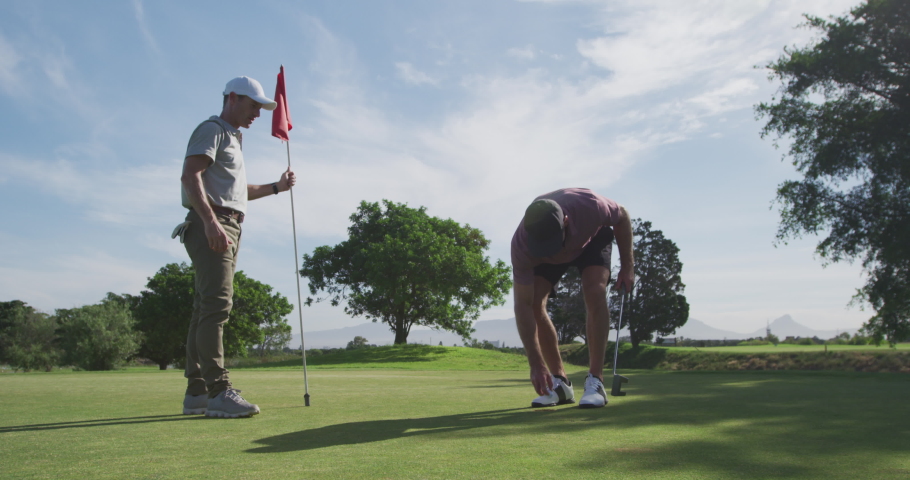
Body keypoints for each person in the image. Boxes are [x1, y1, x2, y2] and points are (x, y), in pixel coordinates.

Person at [176, 76, 296, 418]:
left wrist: (276, 187)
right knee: (216, 307)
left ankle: (197, 392)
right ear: (232, 98)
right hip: (211, 223)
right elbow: (190, 176)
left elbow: (239, 192)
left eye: (261, 107)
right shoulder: (212, 129)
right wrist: (212, 222)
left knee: (204, 308)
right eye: (252, 105)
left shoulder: (233, 138)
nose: (257, 113)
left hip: (226, 223)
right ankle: (218, 391)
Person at [511, 188, 633, 408]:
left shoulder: (591, 205)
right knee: (535, 301)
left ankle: (596, 380)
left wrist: (627, 267)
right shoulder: (522, 244)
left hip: (592, 239)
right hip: (546, 253)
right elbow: (523, 305)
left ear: (565, 221)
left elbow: (622, 216)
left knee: (594, 290)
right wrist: (536, 364)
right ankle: (561, 384)